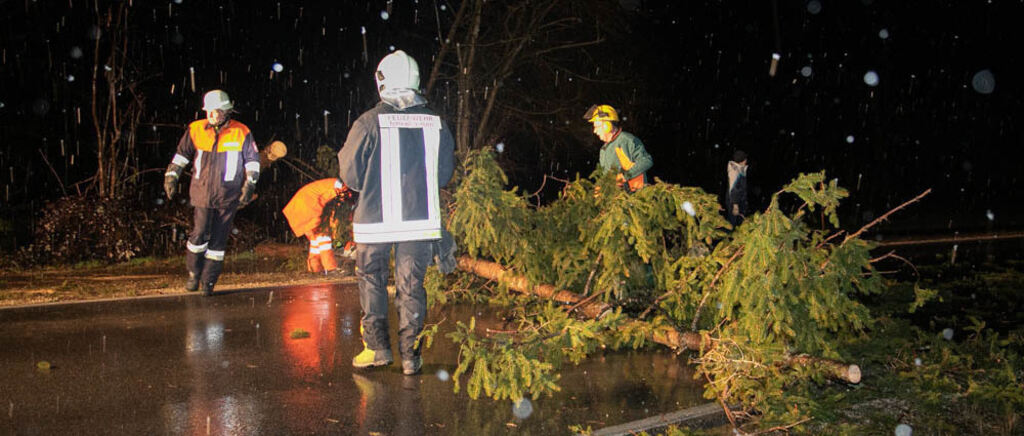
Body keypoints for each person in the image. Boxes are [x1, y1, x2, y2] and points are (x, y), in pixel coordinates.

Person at [338, 50, 455, 375]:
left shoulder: (367, 123)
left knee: (372, 281)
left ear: (382, 82)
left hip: (375, 224)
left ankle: (376, 349)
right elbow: (444, 174)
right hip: (419, 225)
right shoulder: (436, 123)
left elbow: (351, 177)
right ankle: (411, 357)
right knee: (411, 287)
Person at [164, 89, 260, 296]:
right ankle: (193, 274)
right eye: (210, 111)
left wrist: (249, 184)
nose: (214, 115)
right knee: (199, 234)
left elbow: (252, 161)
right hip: (201, 193)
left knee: (218, 240)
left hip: (228, 195)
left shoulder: (241, 132)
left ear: (227, 112)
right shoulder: (195, 129)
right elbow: (181, 156)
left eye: (218, 111)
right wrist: (171, 176)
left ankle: (209, 281)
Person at [281, 178, 357, 275]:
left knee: (315, 242)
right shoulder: (342, 190)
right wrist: (342, 245)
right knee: (324, 238)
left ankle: (315, 269)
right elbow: (337, 216)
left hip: (301, 207)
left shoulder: (340, 187)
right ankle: (330, 268)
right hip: (309, 207)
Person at [584, 104, 653, 192]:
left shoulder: (627, 140)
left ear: (607, 126)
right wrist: (601, 188)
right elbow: (605, 176)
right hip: (615, 200)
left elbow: (646, 161)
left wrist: (625, 176)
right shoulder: (603, 150)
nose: (594, 131)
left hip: (635, 196)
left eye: (597, 127)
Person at [726, 150, 749, 227]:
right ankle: (729, 236)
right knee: (732, 222)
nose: (746, 160)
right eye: (745, 159)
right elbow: (734, 189)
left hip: (739, 200)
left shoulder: (739, 169)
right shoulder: (735, 172)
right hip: (734, 201)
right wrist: (735, 205)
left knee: (738, 221)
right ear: (742, 160)